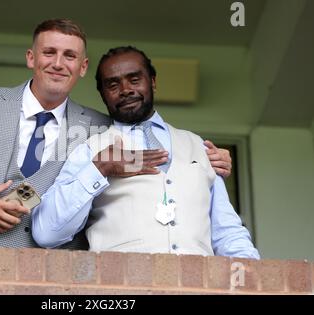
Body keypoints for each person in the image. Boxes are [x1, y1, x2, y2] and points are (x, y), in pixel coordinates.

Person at [0, 19, 231, 249]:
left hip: (46, 278)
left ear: (82, 68)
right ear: (31, 58)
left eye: (70, 55)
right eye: (49, 52)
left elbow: (151, 146)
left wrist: (207, 157)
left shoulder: (100, 129)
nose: (58, 63)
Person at [32, 46, 259, 259]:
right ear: (102, 94)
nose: (125, 90)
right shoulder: (91, 150)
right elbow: (46, 233)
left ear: (152, 81)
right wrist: (99, 168)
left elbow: (227, 232)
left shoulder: (198, 146)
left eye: (134, 79)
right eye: (113, 85)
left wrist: (252, 279)